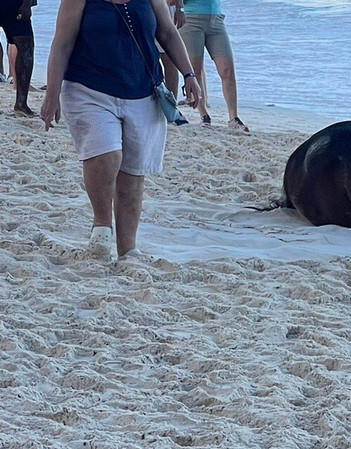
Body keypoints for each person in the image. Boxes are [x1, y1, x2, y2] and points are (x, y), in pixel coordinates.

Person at [40, 0, 202, 261]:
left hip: (142, 89)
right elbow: (62, 43)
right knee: (106, 154)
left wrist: (189, 75)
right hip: (88, 89)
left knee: (133, 174)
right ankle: (101, 229)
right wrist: (52, 93)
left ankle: (128, 249)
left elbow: (168, 33)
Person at [178, 0, 247, 130]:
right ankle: (204, 115)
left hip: (216, 19)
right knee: (195, 70)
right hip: (190, 19)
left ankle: (234, 118)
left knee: (227, 70)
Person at [0, 0, 35, 115]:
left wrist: (27, 3)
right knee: (25, 47)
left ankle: (21, 103)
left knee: (26, 47)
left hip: (14, 4)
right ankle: (21, 103)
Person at [157, 0, 188, 123]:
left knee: (169, 60)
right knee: (149, 60)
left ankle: (171, 107)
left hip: (165, 7)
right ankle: (160, 105)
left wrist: (180, 7)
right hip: (142, 7)